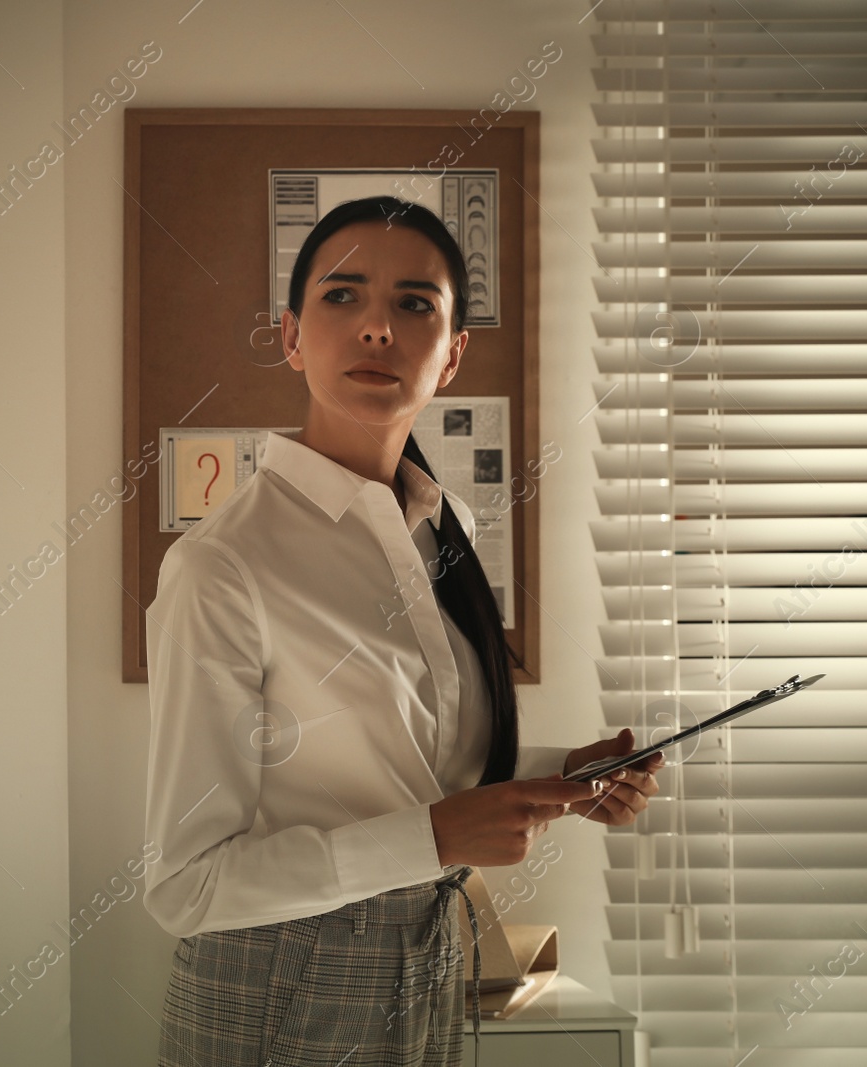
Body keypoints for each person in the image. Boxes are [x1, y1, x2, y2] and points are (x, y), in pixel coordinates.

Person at [141, 195, 664, 1067]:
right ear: (291, 336)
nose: (378, 326)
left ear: (453, 354)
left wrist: (557, 776)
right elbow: (186, 883)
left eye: (415, 303)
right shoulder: (222, 565)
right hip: (283, 978)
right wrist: (437, 837)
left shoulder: (441, 522)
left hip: (429, 954)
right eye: (342, 297)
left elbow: (412, 770)